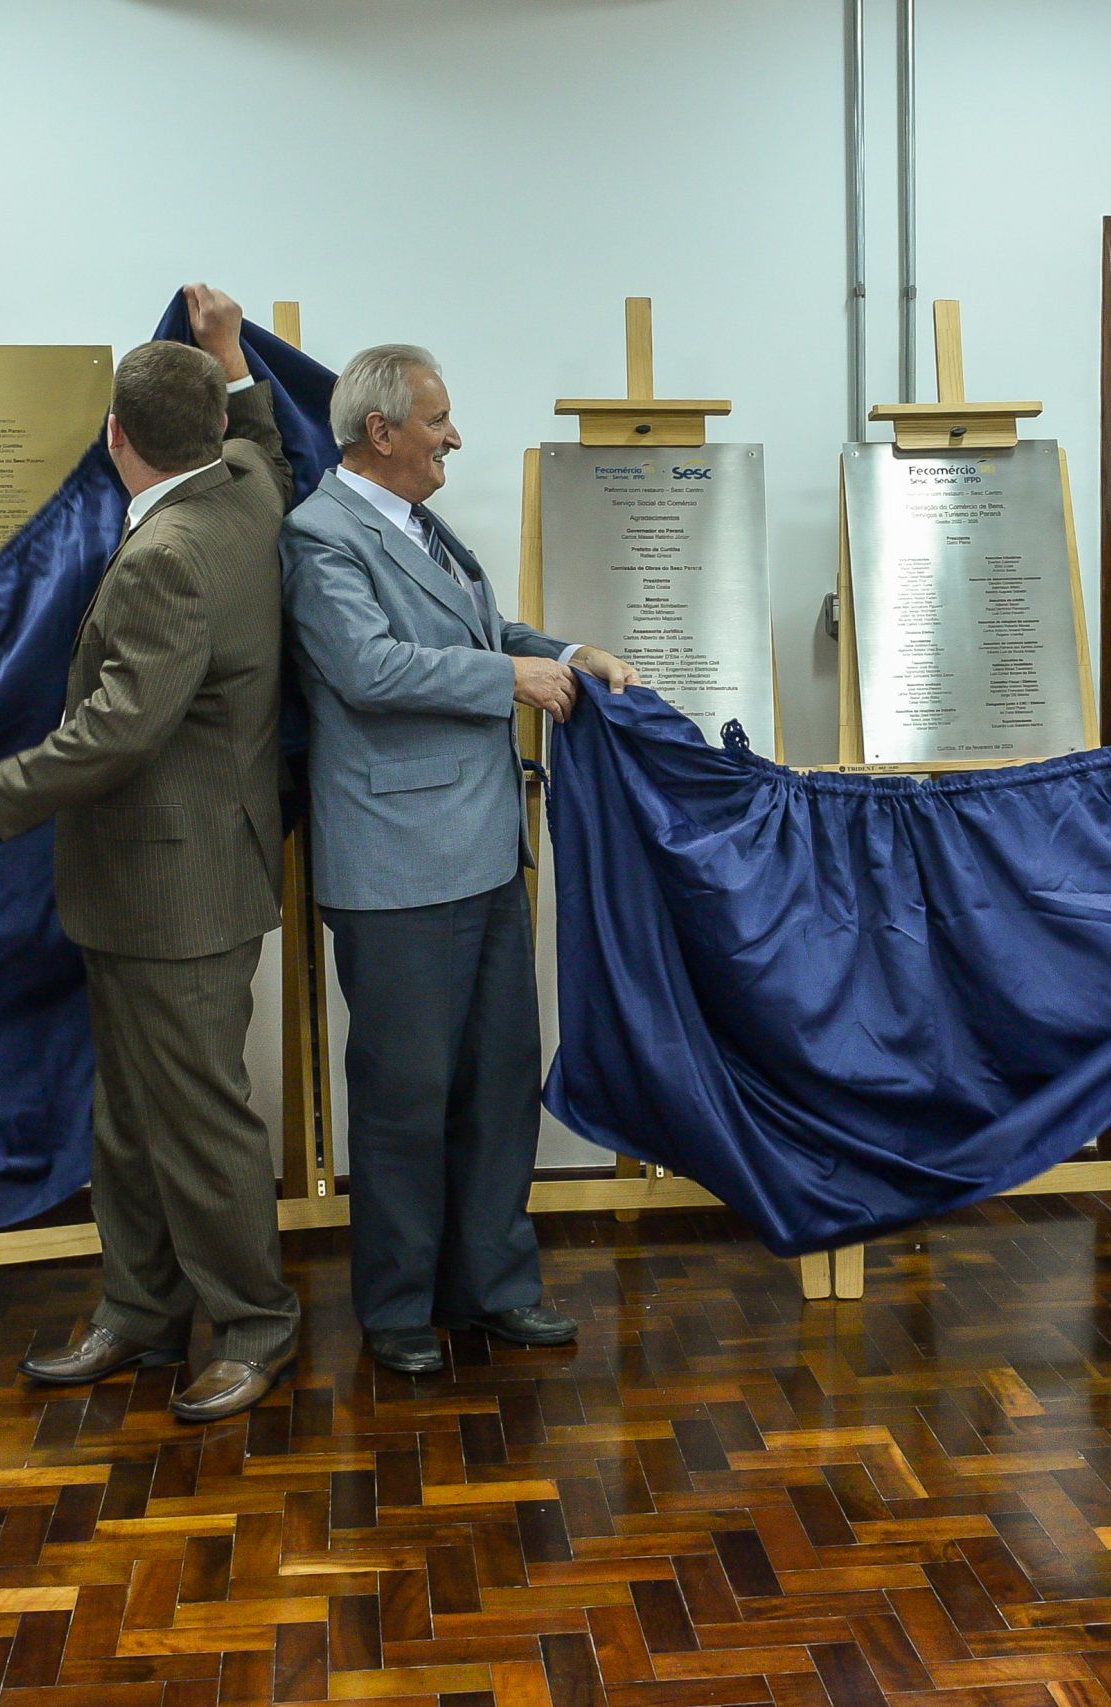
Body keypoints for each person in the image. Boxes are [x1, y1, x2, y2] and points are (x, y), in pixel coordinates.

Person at [0, 285, 299, 1425]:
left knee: (195, 1126)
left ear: (115, 440)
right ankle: (142, 1313)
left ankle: (254, 1327)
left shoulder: (169, 554)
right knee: (132, 1120)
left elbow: (119, 726)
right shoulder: (248, 492)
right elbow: (263, 434)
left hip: (176, 886)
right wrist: (234, 359)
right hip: (169, 878)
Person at [281, 344, 640, 1375]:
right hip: (397, 866)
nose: (454, 436)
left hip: (483, 852)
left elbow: (486, 633)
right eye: (437, 419)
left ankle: (492, 1288)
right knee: (403, 1098)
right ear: (379, 432)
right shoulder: (320, 536)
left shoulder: (419, 527)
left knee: (493, 1086)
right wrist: (511, 679)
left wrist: (567, 655)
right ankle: (396, 1313)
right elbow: (364, 668)